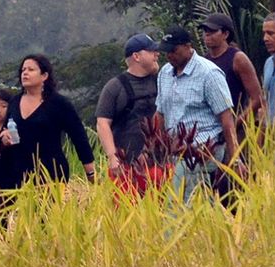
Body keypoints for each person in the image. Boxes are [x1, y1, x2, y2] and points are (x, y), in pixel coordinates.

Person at [156, 25, 245, 204]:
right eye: (166, 52)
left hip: (203, 152)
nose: (169, 55)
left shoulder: (209, 73)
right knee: (199, 204)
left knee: (179, 207)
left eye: (173, 50)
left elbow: (226, 118)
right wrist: (155, 147)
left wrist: (235, 159)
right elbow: (160, 113)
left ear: (188, 46)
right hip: (175, 152)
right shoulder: (165, 73)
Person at [5, 54, 95, 183]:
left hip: (52, 174)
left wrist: (90, 172)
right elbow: (3, 129)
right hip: (19, 175)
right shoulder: (14, 102)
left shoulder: (59, 103)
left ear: (44, 76)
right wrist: (4, 136)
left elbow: (79, 137)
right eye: (23, 70)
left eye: (31, 70)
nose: (25, 73)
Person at [96, 33, 160, 177]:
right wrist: (113, 157)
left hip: (159, 164)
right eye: (151, 51)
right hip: (126, 167)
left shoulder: (162, 80)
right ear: (136, 56)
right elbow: (102, 123)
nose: (157, 54)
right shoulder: (115, 87)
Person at [199, 13, 264, 125]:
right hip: (212, 129)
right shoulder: (204, 61)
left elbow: (257, 98)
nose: (207, 34)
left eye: (213, 31)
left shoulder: (237, 58)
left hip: (236, 127)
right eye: (205, 31)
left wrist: (235, 123)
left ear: (225, 34)